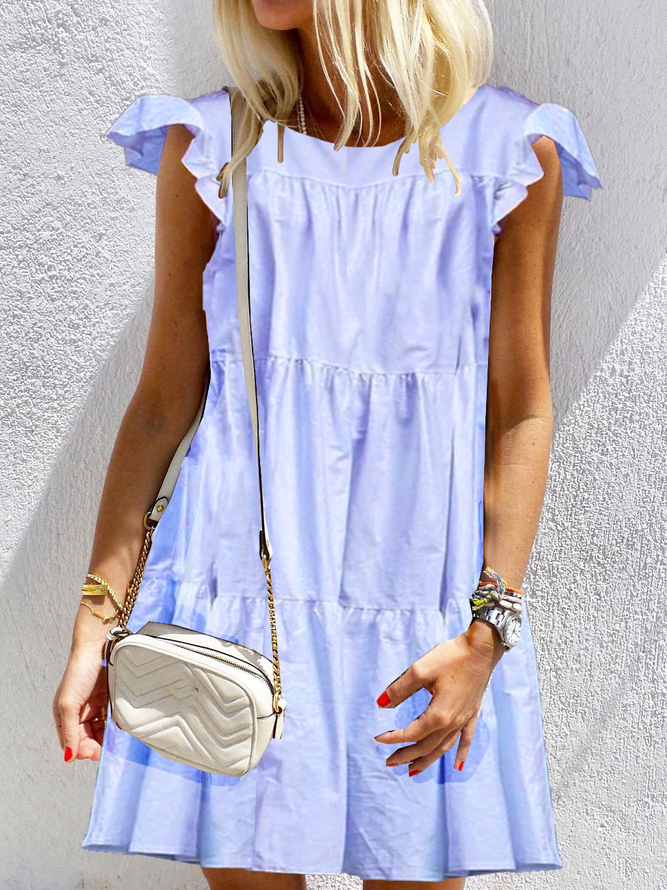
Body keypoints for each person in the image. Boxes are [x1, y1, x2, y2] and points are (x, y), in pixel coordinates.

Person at [52, 0, 602, 887]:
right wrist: (95, 624)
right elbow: (161, 404)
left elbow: (520, 413)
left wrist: (486, 634)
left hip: (423, 595)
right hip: (240, 596)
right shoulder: (217, 145)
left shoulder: (507, 152)